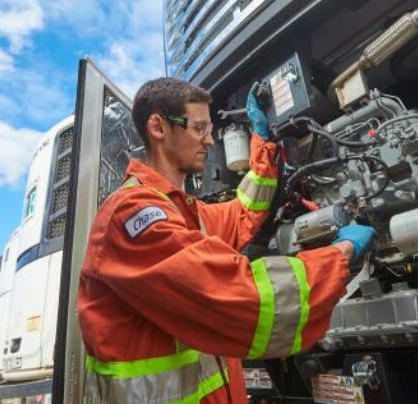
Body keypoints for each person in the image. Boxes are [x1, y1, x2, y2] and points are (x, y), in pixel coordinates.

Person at [77, 77, 375, 403]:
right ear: (158, 128)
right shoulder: (130, 215)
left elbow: (244, 212)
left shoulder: (183, 213)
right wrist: (340, 257)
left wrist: (261, 141)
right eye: (199, 128)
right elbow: (245, 300)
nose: (209, 140)